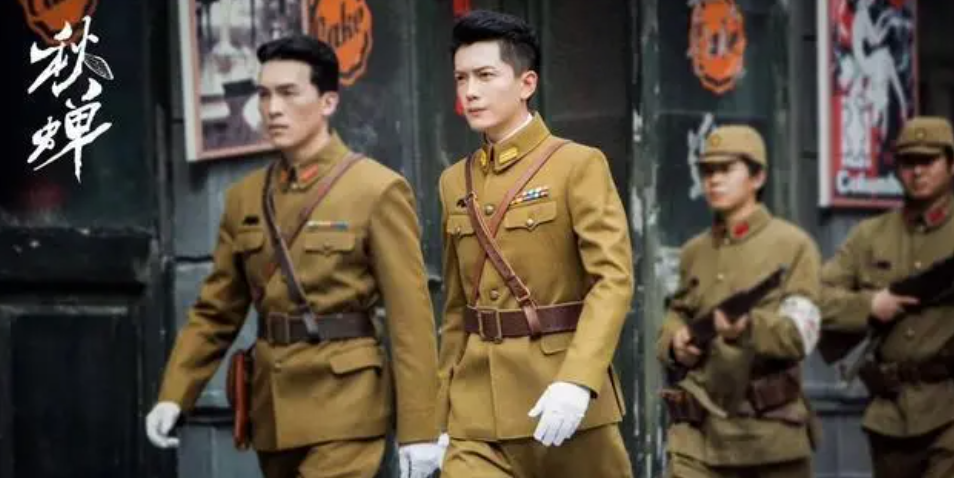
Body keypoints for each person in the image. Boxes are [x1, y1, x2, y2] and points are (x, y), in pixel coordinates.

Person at [143, 35, 442, 478]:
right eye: (264, 94)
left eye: (288, 93)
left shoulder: (375, 190)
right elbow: (216, 312)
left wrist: (421, 430)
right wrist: (175, 395)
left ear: (327, 102)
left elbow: (410, 318)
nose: (272, 108)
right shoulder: (245, 198)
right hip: (273, 411)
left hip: (347, 407)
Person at [435, 10, 635, 478]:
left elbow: (613, 281)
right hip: (475, 416)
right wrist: (438, 418)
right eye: (461, 78)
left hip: (562, 404)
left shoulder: (577, 165)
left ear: (527, 83)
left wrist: (579, 380)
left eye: (485, 75)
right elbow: (456, 310)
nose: (470, 91)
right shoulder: (454, 181)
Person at [656, 125, 822, 478]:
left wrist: (749, 328)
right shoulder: (694, 251)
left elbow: (801, 334)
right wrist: (675, 342)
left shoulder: (793, 245)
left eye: (726, 169)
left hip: (768, 438)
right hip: (697, 436)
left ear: (758, 177)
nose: (714, 180)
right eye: (707, 171)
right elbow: (677, 312)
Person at [819, 116, 954, 478]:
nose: (918, 171)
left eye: (928, 161)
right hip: (890, 415)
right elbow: (816, 298)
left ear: (951, 164)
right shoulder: (870, 236)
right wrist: (869, 306)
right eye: (909, 162)